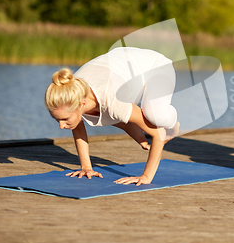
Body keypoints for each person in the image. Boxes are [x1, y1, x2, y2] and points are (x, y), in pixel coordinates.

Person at [45, 47, 180, 186]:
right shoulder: (72, 93)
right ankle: (138, 129)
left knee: (154, 115)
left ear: (82, 104)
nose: (61, 126)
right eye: (57, 119)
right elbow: (78, 127)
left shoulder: (113, 100)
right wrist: (86, 168)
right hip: (121, 63)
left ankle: (173, 124)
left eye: (65, 119)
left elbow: (158, 134)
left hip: (156, 66)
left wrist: (146, 176)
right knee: (102, 114)